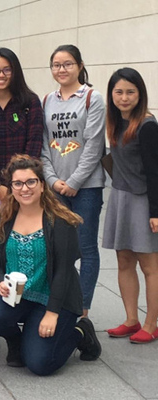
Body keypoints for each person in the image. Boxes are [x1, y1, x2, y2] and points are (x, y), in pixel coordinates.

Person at [0, 155, 101, 375]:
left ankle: (81, 332)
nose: (24, 188)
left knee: (39, 364)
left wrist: (52, 313)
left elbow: (64, 271)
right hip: (17, 297)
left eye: (31, 182)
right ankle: (17, 341)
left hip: (54, 298)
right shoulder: (2, 220)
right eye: (18, 183)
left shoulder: (60, 221)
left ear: (42, 185)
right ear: (11, 188)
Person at [41, 44, 105, 317]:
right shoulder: (47, 100)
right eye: (56, 64)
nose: (62, 69)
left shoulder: (92, 97)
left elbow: (94, 145)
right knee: (56, 247)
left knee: (86, 247)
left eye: (67, 64)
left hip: (86, 188)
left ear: (79, 66)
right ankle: (58, 299)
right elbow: (44, 145)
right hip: (56, 188)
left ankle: (83, 307)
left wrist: (75, 181)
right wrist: (53, 180)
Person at [101, 68, 158, 343]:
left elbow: (155, 171)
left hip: (144, 200)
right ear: (111, 95)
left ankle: (150, 324)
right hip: (120, 197)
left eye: (130, 92)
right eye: (119, 92)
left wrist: (156, 212)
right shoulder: (115, 122)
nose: (124, 97)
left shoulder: (147, 126)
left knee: (150, 266)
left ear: (140, 94)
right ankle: (131, 319)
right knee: (124, 261)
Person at [0, 48, 43, 208]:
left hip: (27, 184)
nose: (1, 75)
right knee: (0, 230)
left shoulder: (30, 102)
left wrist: (21, 182)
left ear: (15, 72)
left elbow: (34, 144)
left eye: (7, 70)